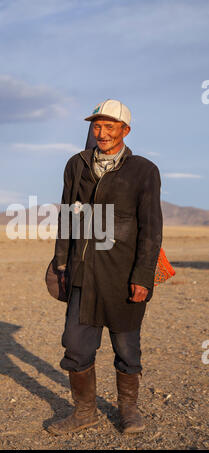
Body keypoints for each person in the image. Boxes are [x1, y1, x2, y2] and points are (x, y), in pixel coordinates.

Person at [47, 99, 163, 435]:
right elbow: (67, 216)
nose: (102, 133)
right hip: (84, 273)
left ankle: (129, 412)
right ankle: (85, 413)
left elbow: (152, 228)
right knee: (75, 346)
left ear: (125, 130)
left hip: (123, 276)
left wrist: (143, 277)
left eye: (110, 126)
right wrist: (61, 264)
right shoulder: (77, 164)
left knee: (127, 349)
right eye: (97, 126)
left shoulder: (144, 170)